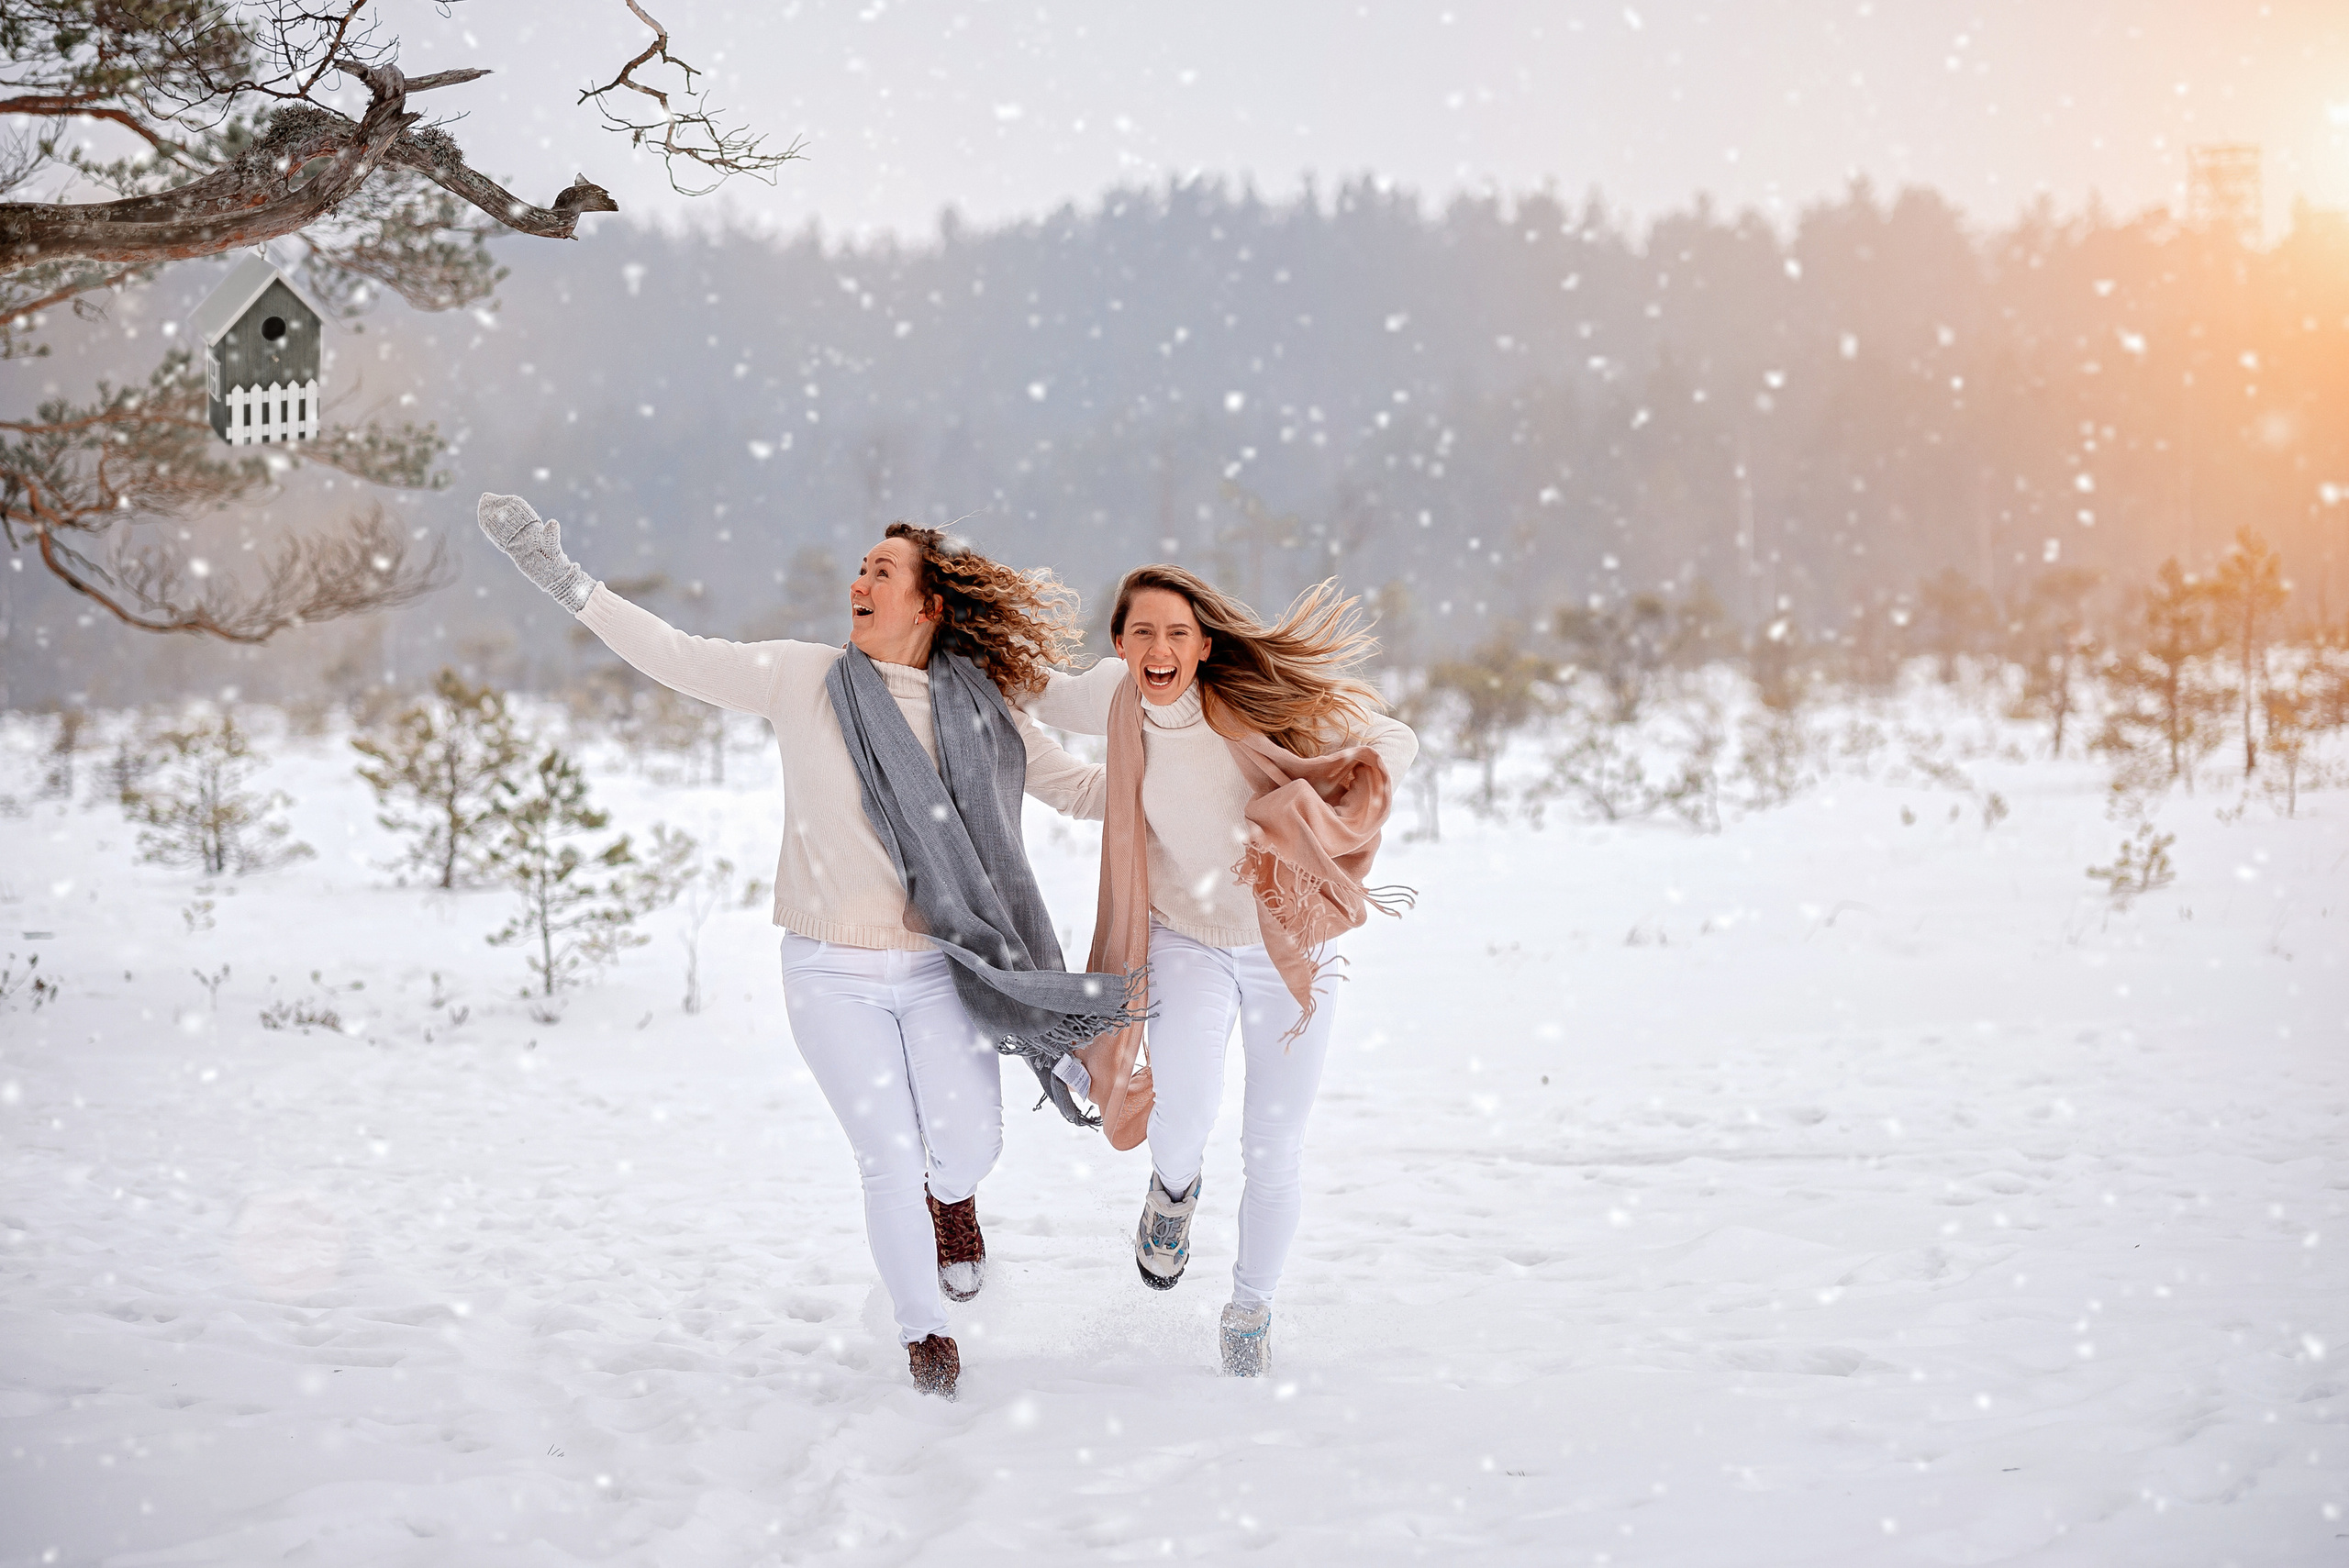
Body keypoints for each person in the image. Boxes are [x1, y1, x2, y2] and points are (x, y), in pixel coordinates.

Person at [476, 494, 1136, 1400]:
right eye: (860, 567)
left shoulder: (983, 706)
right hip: (829, 971)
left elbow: (1084, 791)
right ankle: (926, 1336)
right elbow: (675, 655)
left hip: (946, 967)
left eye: (881, 570)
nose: (858, 582)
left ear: (929, 603)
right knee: (885, 1158)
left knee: (964, 1146)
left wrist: (1202, 770)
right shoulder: (804, 677)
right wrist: (565, 581)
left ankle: (956, 1201)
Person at [1025, 565, 1417, 1376]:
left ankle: (1250, 1306)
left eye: (1176, 633)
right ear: (1120, 645)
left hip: (1290, 943)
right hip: (1185, 937)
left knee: (1275, 1143)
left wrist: (1322, 808)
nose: (1159, 648)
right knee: (1185, 1107)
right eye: (1141, 632)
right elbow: (1028, 687)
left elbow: (1393, 738)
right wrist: (951, 648)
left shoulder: (1263, 702)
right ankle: (1175, 1190)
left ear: (1204, 644)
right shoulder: (1115, 700)